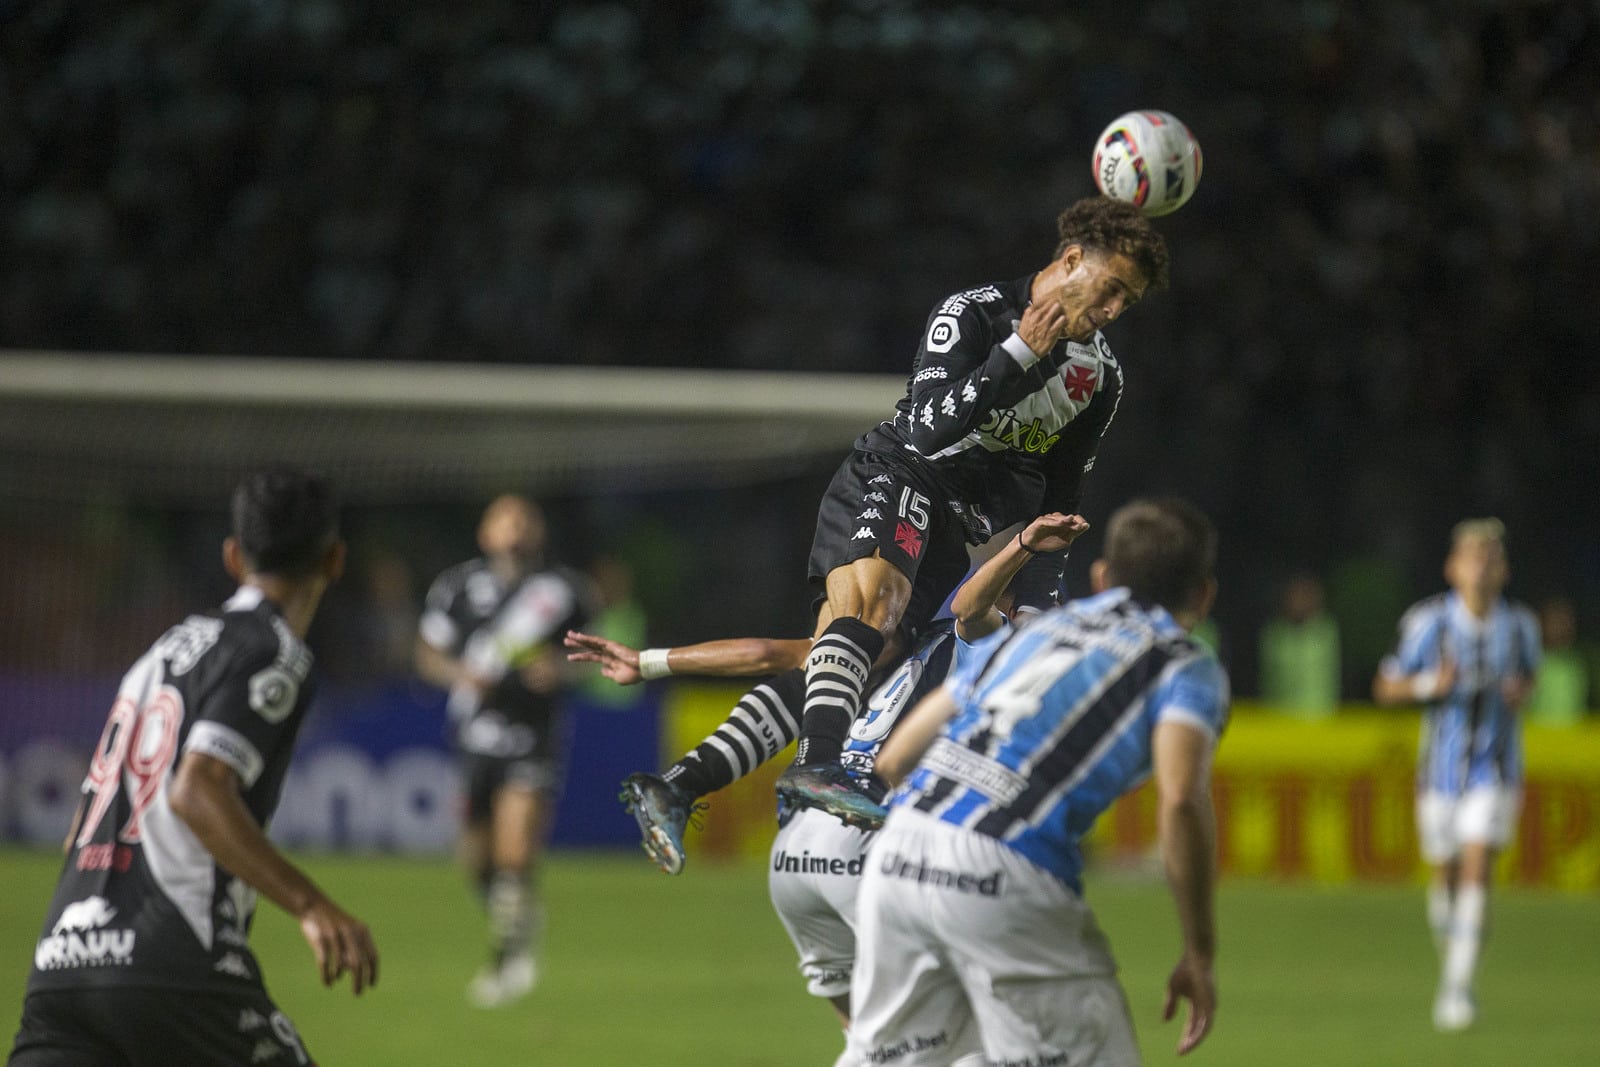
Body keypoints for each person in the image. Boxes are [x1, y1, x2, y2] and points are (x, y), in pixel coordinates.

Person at [568, 513, 1089, 1066]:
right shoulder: (998, 653)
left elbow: (769, 655)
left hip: (794, 856)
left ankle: (683, 781)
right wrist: (1026, 548)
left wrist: (650, 662)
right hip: (868, 840)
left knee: (872, 1042)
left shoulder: (875, 648)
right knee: (973, 1041)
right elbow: (971, 608)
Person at [778, 197, 1171, 820]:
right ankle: (818, 766)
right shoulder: (974, 314)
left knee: (875, 654)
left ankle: (730, 779)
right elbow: (926, 427)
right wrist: (1013, 356)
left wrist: (1038, 608)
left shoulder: (1100, 378)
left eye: (1129, 302)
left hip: (960, 523)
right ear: (1072, 260)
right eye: (1112, 289)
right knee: (874, 614)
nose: (1114, 311)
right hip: (901, 469)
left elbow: (1059, 502)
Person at [8, 467, 378, 1067]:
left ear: (233, 557)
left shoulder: (159, 652)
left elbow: (85, 821)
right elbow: (197, 789)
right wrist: (312, 906)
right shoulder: (273, 650)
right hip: (171, 962)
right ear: (335, 561)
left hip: (61, 968)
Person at [848, 498, 1226, 1066]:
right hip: (1005, 866)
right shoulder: (1182, 665)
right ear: (1203, 595)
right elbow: (1179, 800)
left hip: (901, 852)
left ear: (1102, 578)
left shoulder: (1034, 633)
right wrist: (1198, 951)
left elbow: (897, 757)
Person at [415, 495, 593, 1007]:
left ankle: (508, 962)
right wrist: (459, 674)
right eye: (504, 520)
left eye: (524, 520)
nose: (515, 529)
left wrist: (559, 670)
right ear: (484, 533)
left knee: (515, 851)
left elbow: (597, 655)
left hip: (533, 736)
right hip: (473, 734)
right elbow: (427, 653)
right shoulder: (457, 588)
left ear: (538, 533)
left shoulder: (563, 592)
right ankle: (516, 917)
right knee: (475, 862)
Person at [1372, 518, 1540, 1032]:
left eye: (1491, 556)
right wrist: (1431, 684)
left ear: (1504, 569)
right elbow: (1386, 686)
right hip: (1438, 775)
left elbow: (1530, 679)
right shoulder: (1430, 623)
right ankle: (1456, 964)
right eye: (1473, 556)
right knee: (1443, 875)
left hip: (1496, 768)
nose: (1482, 565)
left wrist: (1521, 693)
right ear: (1452, 567)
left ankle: (1456, 991)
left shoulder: (1521, 627)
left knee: (1477, 865)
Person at [1258, 571, 1341, 717]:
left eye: (1305, 594)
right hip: (1277, 721)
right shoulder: (1274, 634)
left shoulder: (1327, 631)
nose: (1299, 600)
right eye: (1294, 594)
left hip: (1321, 722)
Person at [1524, 595, 1589, 726]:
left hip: (1572, 742)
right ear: (1542, 622)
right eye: (1556, 621)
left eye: (1567, 621)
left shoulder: (1576, 665)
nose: (1563, 626)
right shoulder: (1531, 662)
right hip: (1538, 741)